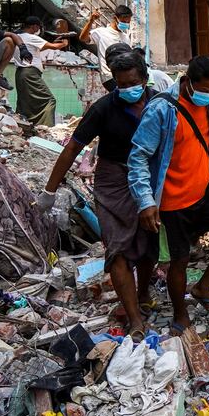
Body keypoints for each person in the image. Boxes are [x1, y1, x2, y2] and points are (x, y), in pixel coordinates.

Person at [43, 46, 158, 335]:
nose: (128, 89)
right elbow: (73, 148)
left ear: (144, 79)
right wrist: (49, 190)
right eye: (121, 85)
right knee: (117, 250)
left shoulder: (159, 104)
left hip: (151, 179)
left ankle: (143, 293)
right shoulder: (104, 108)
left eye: (133, 83)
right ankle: (135, 319)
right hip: (113, 182)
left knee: (149, 245)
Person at [129, 55, 209, 331]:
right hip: (172, 200)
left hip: (204, 189)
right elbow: (139, 157)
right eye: (203, 90)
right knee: (179, 261)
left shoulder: (204, 106)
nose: (208, 96)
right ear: (187, 82)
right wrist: (145, 201)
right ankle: (181, 315)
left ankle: (204, 287)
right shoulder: (161, 110)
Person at [13, 16, 66, 126]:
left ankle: (24, 125)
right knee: (49, 100)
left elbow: (39, 48)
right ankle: (45, 127)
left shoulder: (18, 37)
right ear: (34, 26)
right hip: (30, 73)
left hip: (20, 73)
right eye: (38, 27)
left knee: (25, 103)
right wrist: (64, 43)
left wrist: (54, 44)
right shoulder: (31, 37)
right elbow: (54, 47)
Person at [80, 6, 134, 91]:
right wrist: (91, 21)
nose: (126, 24)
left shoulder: (126, 38)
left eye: (128, 22)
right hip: (109, 76)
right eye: (123, 21)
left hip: (124, 75)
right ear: (115, 18)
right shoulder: (101, 32)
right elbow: (83, 38)